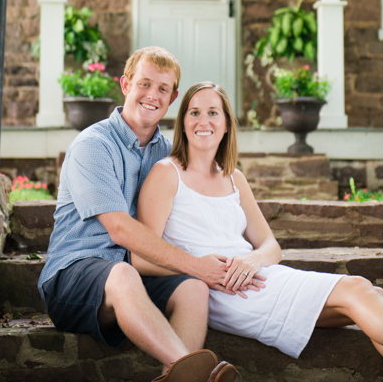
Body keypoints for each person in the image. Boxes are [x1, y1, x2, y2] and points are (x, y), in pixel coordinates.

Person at [132, 81, 383, 359]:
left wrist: (253, 260)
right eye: (194, 113)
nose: (203, 121)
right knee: (358, 289)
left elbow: (270, 246)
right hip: (226, 293)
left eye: (213, 113)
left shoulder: (234, 177)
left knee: (370, 297)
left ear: (227, 124)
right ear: (182, 123)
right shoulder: (166, 173)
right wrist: (197, 269)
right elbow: (140, 257)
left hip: (259, 276)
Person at [39, 47, 240, 382]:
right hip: (73, 275)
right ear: (125, 85)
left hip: (137, 274)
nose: (152, 95)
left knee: (194, 290)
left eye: (163, 89)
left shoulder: (170, 155)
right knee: (122, 274)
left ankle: (175, 378)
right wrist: (196, 264)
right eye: (144, 84)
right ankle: (195, 369)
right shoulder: (94, 145)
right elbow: (119, 230)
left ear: (173, 97)